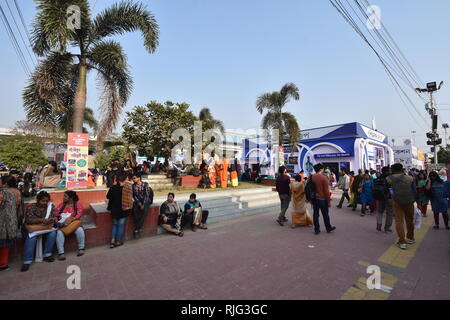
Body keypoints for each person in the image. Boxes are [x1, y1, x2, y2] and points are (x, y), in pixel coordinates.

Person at [21, 191, 58, 272]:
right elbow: (28, 220)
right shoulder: (31, 207)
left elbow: (53, 218)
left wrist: (50, 220)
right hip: (32, 228)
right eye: (43, 201)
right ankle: (27, 261)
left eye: (46, 201)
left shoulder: (50, 207)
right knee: (32, 237)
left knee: (53, 233)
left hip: (43, 228)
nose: (45, 203)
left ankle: (47, 254)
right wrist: (40, 220)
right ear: (38, 200)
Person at [386, 163, 416, 250]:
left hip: (397, 202)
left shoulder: (389, 179)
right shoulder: (410, 178)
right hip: (409, 201)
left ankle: (402, 242)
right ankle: (410, 238)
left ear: (392, 169)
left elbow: (388, 190)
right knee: (410, 220)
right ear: (402, 169)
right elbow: (414, 190)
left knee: (399, 221)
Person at [0, 176, 23, 271]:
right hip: (12, 221)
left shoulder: (2, 192)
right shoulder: (16, 192)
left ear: (5, 184)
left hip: (3, 222)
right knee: (4, 245)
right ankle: (4, 264)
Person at [55, 191, 85, 260]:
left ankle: (81, 248)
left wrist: (70, 220)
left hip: (73, 224)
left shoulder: (77, 204)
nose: (63, 197)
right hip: (63, 225)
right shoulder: (61, 205)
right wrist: (58, 221)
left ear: (70, 198)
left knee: (79, 230)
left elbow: (79, 215)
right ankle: (61, 253)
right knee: (59, 233)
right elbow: (56, 215)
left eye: (65, 196)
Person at [310, 164, 336, 235]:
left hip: (314, 198)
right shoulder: (324, 178)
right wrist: (328, 201)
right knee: (325, 214)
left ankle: (316, 229)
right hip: (322, 199)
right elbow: (326, 191)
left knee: (315, 214)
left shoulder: (311, 177)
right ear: (321, 169)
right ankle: (328, 228)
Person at [106, 175, 131, 248]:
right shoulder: (127, 189)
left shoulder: (113, 188)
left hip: (114, 210)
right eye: (126, 180)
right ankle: (118, 241)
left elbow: (108, 197)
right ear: (122, 181)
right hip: (123, 210)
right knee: (121, 225)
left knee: (114, 225)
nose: (127, 181)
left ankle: (112, 241)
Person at [131, 173, 154, 238]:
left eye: (134, 178)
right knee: (134, 211)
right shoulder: (133, 186)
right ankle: (138, 228)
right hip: (138, 201)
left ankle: (136, 229)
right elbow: (134, 196)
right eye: (133, 178)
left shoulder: (145, 184)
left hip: (146, 201)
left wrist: (143, 204)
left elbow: (147, 195)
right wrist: (139, 203)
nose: (133, 179)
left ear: (139, 178)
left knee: (144, 211)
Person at [374, 167, 393, 232]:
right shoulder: (390, 178)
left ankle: (379, 225)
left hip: (379, 197)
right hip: (388, 196)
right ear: (387, 171)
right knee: (389, 212)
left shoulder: (378, 178)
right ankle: (387, 227)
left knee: (379, 211)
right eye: (390, 170)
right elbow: (392, 188)